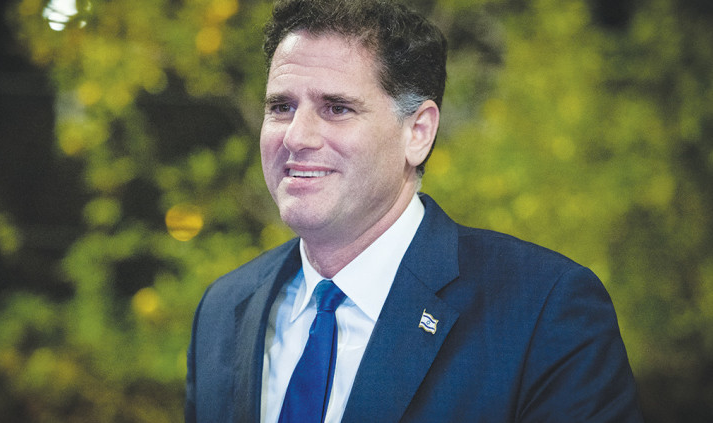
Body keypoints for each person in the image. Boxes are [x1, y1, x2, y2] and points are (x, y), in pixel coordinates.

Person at [185, 0, 644, 422]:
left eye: (337, 108)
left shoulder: (543, 311)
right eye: (282, 107)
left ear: (418, 132)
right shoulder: (223, 311)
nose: (296, 136)